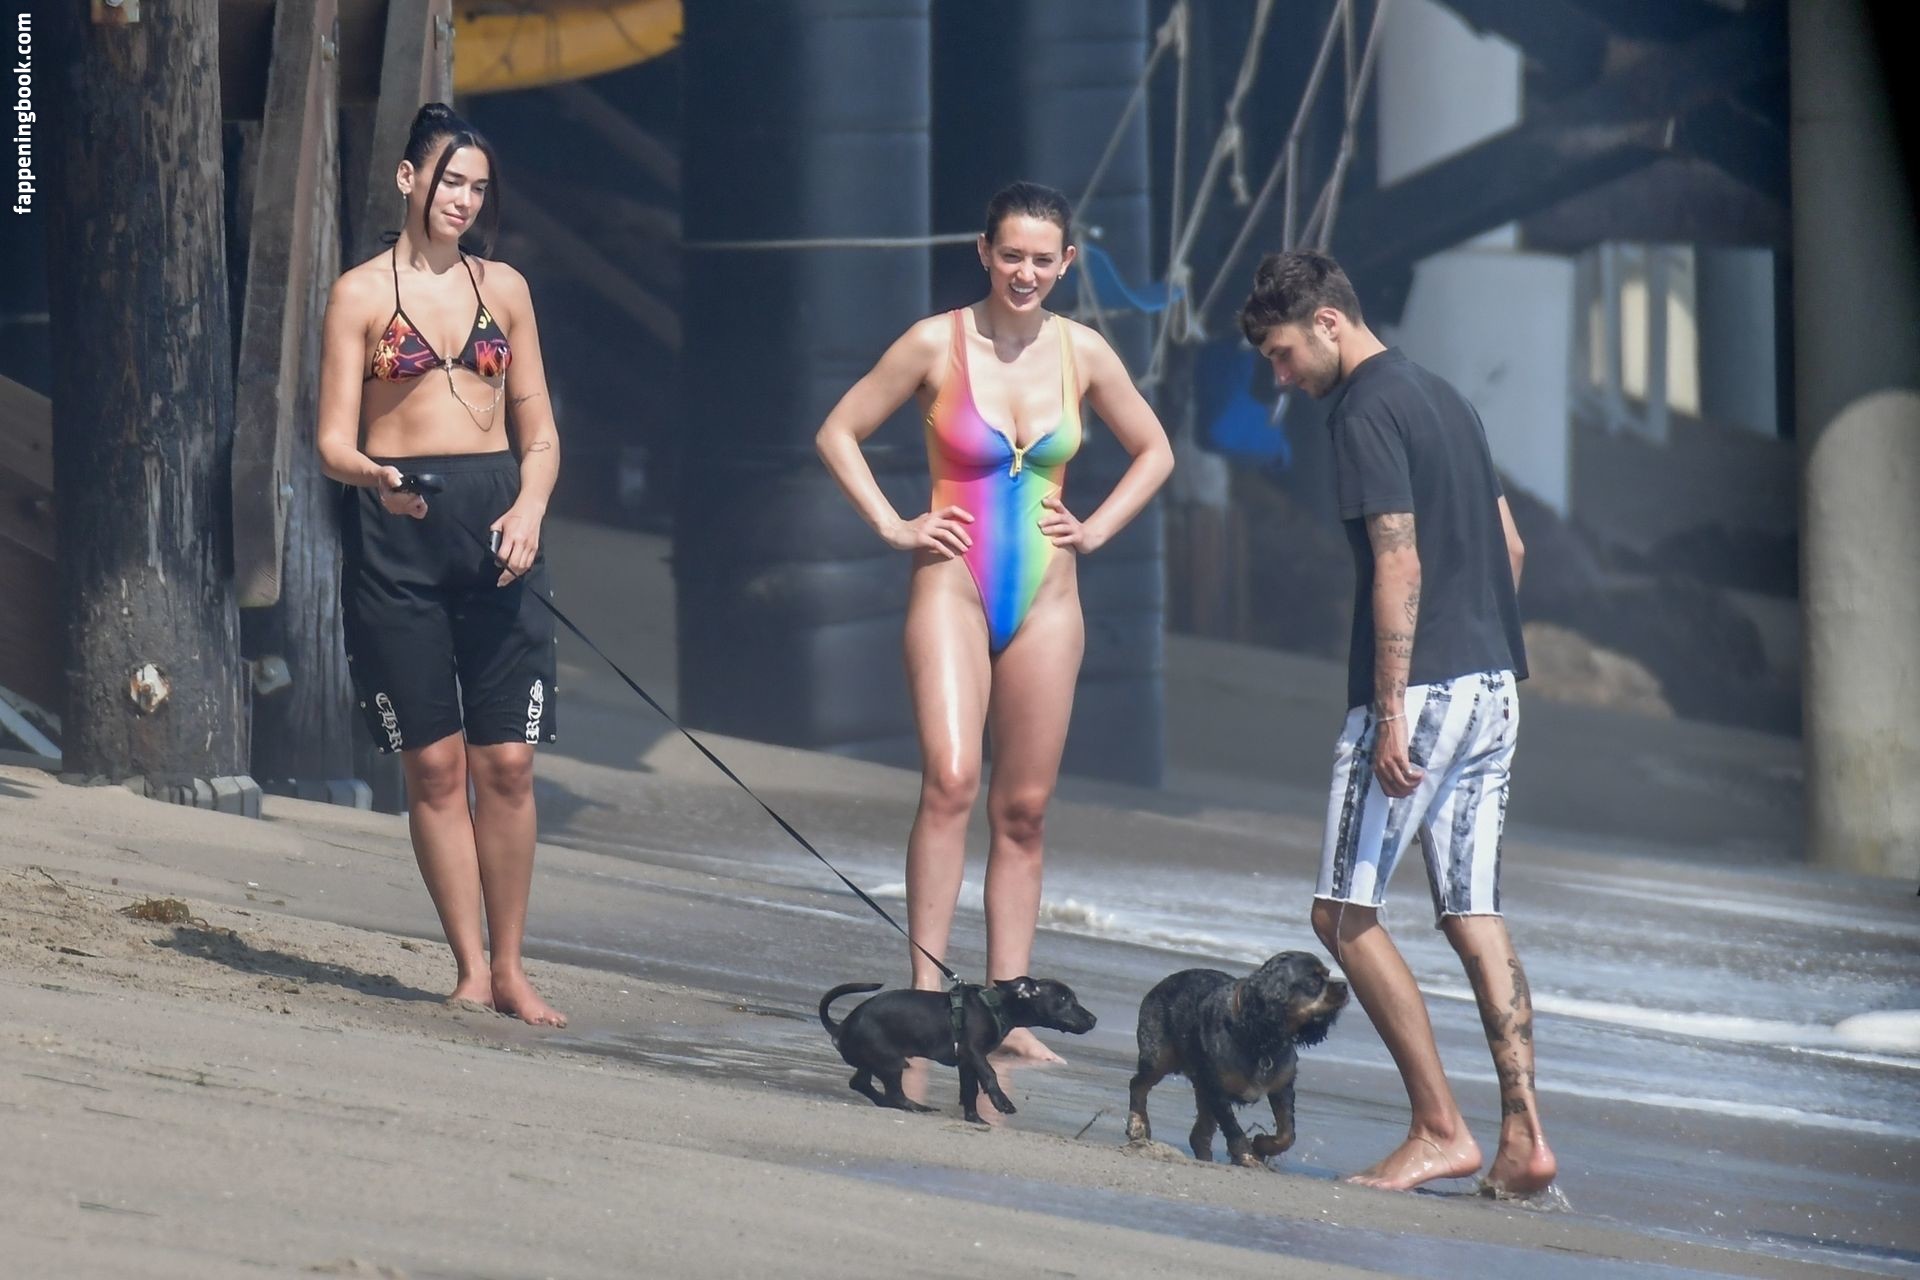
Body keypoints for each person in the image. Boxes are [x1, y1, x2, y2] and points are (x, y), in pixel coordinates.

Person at [815, 182, 1174, 1062]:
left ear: (1067, 263)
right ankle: (925, 1000)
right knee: (950, 780)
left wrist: (1096, 529)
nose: (1024, 272)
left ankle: (1007, 1014)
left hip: (1050, 598)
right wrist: (893, 524)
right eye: (1010, 255)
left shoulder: (1082, 351)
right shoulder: (934, 342)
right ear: (983, 252)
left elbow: (1156, 450)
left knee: (1024, 809)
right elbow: (838, 432)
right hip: (953, 587)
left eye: (1042, 260)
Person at [1238, 250, 1554, 1194]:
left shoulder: (1365, 409)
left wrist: (1391, 711)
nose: (1282, 377)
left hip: (1421, 692)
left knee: (1341, 912)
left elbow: (1399, 562)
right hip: (1493, 685)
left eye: (1284, 354)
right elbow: (1510, 545)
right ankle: (1524, 1138)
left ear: (1329, 322)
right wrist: (1473, 641)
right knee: (1473, 912)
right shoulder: (1446, 397)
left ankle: (1438, 1128)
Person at [316, 102, 566, 1027]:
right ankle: (469, 966)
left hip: (499, 531)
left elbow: (540, 434)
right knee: (433, 765)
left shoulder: (506, 289)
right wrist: (376, 478)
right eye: (450, 181)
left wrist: (530, 510)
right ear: (408, 179)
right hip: (399, 534)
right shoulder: (358, 295)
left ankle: (513, 969)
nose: (463, 199)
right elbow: (331, 442)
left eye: (477, 187)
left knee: (508, 763)